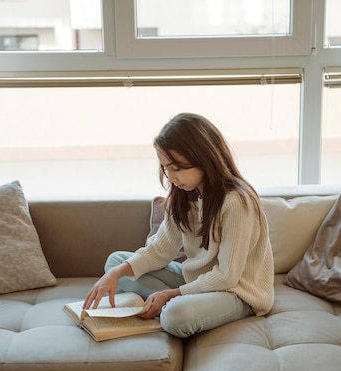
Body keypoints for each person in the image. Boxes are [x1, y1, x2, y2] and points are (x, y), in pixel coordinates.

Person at [83, 112, 274, 338]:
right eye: (165, 168)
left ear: (204, 159)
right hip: (197, 280)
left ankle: (168, 305)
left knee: (175, 316)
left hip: (237, 293)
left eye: (177, 168)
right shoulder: (184, 197)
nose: (171, 177)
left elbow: (227, 276)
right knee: (115, 263)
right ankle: (167, 303)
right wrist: (116, 273)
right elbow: (160, 251)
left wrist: (172, 294)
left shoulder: (236, 203)